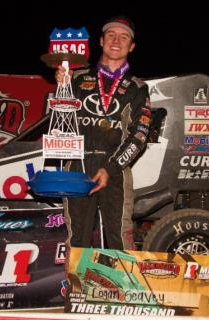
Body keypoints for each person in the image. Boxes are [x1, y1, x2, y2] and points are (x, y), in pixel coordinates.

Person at [56, 16, 151, 250]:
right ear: (100, 41)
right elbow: (60, 125)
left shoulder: (138, 88)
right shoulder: (76, 79)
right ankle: (76, 286)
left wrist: (109, 168)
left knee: (120, 239)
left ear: (132, 46)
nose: (116, 40)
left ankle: (121, 287)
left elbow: (139, 136)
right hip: (77, 166)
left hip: (115, 168)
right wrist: (62, 89)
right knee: (77, 240)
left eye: (124, 36)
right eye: (111, 35)